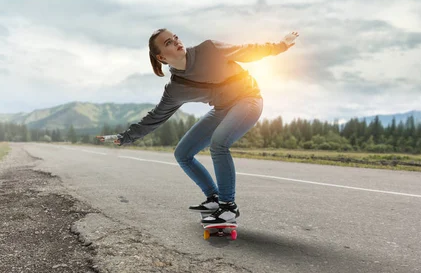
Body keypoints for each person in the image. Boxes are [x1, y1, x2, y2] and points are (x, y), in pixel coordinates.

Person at [97, 29, 299, 224]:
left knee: (219, 144)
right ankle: (213, 198)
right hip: (222, 109)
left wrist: (281, 45)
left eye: (175, 37)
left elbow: (248, 50)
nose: (176, 42)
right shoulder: (176, 89)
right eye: (169, 42)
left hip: (248, 99)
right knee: (182, 153)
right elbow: (155, 117)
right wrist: (125, 137)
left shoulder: (209, 49)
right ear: (161, 58)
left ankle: (228, 207)